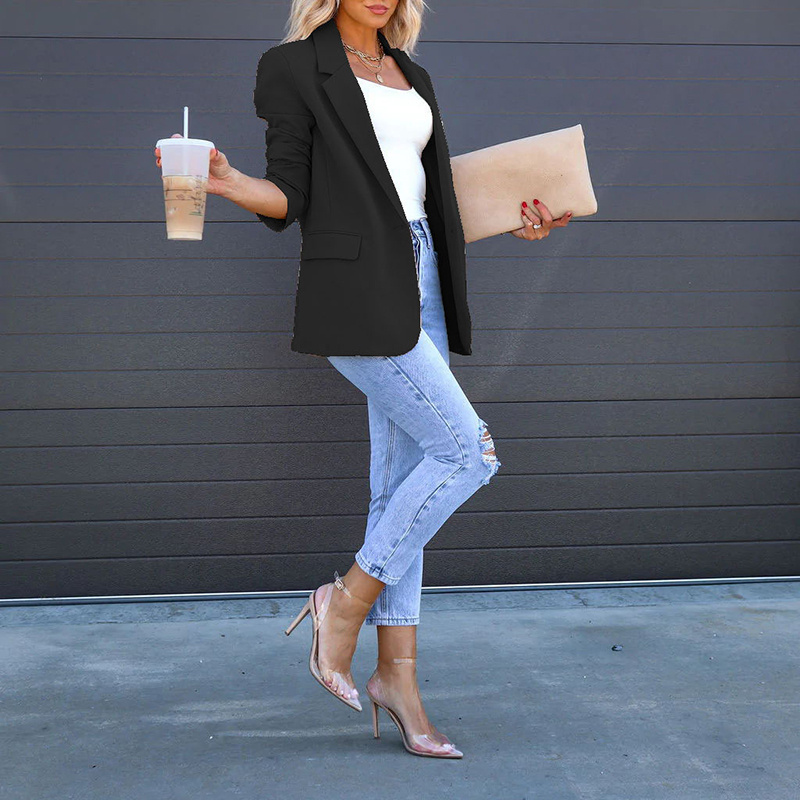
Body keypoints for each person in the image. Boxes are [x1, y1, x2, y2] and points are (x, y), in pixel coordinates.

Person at [155, 0, 572, 759]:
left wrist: (520, 215)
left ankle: (397, 680)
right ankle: (344, 602)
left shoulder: (412, 73)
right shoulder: (292, 67)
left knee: (402, 486)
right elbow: (290, 197)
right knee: (468, 452)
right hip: (358, 287)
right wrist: (228, 181)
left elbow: (425, 193)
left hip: (427, 277)